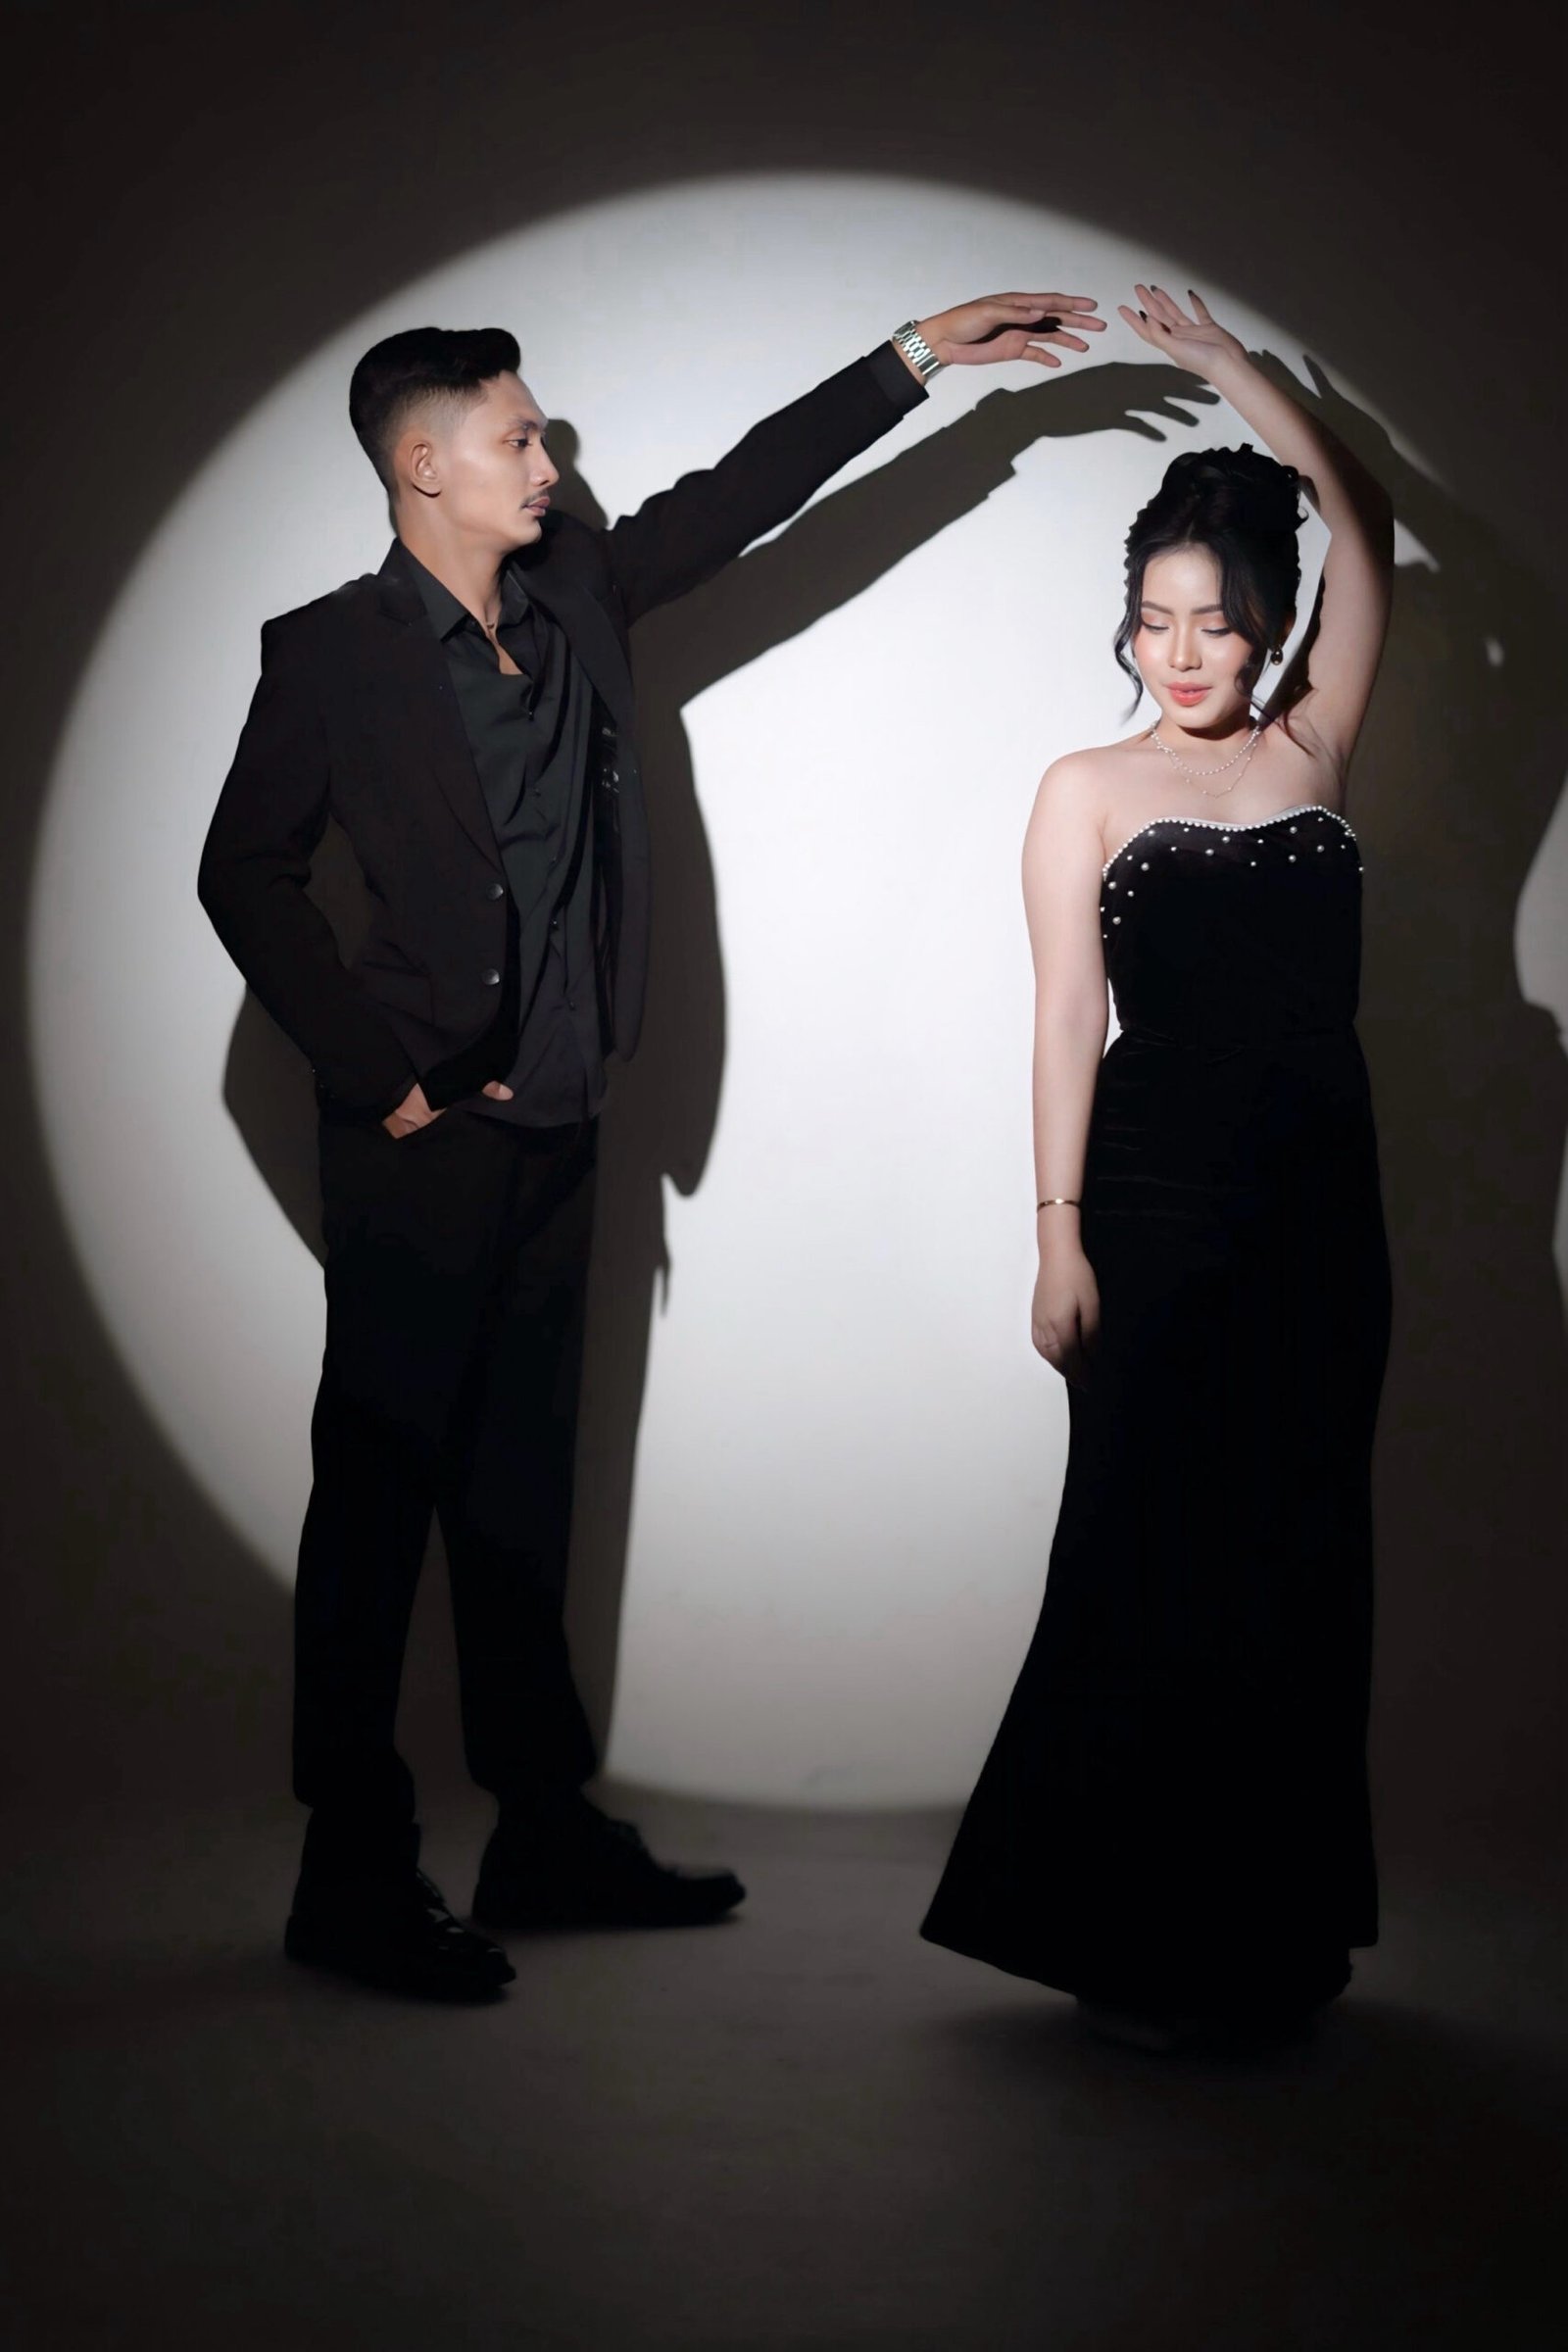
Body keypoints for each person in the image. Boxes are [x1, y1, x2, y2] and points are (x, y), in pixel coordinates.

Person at [199, 288, 1105, 2002]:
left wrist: (918, 356)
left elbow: (750, 492)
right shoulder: (329, 656)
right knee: (378, 1506)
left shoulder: (576, 594)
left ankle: (539, 1832)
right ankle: (350, 1872)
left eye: (543, 436)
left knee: (522, 1498)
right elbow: (239, 870)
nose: (548, 462)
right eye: (518, 439)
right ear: (423, 465)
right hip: (420, 1149)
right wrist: (383, 1074)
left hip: (565, 1127)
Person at [920, 286, 1395, 2049]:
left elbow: (1363, 521)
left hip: (1322, 1215)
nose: (1180, 654)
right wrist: (1056, 1236)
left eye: (1214, 622)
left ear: (1268, 625)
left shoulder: (1315, 746)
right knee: (1147, 1558)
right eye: (1153, 620)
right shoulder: (1088, 788)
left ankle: (1276, 1936)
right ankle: (1122, 1935)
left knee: (1299, 1558)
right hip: (1154, 1208)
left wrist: (1224, 367)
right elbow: (1066, 1020)